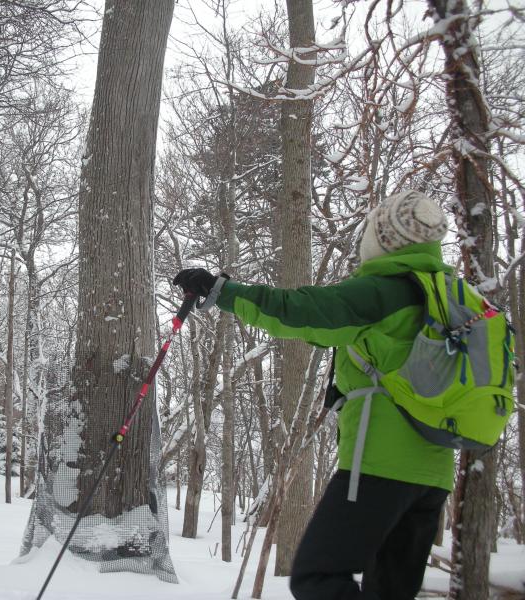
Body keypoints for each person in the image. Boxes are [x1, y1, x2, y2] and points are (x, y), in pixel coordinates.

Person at [174, 190, 454, 600]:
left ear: (385, 240)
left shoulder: (382, 293)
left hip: (379, 467)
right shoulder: (451, 298)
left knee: (316, 577)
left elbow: (297, 311)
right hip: (434, 474)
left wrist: (221, 291)